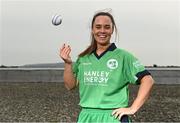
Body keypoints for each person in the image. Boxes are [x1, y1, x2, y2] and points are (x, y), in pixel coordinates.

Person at [59, 10, 154, 123]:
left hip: (113, 116)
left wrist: (133, 108)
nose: (102, 31)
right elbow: (70, 85)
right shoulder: (84, 58)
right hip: (87, 116)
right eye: (98, 27)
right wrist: (68, 63)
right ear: (92, 30)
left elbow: (148, 80)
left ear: (112, 30)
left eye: (107, 27)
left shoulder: (123, 56)